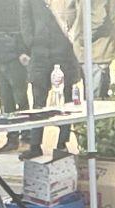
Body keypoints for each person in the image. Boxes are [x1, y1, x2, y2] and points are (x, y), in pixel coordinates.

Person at [15, 0, 74, 160]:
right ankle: (35, 145)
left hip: (63, 51)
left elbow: (73, 13)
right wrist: (31, 42)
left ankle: (62, 144)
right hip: (39, 53)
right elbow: (24, 19)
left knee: (65, 103)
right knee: (38, 103)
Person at [48, 0, 114, 99]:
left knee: (95, 103)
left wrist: (80, 37)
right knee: (92, 100)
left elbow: (99, 18)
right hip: (93, 52)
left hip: (95, 52)